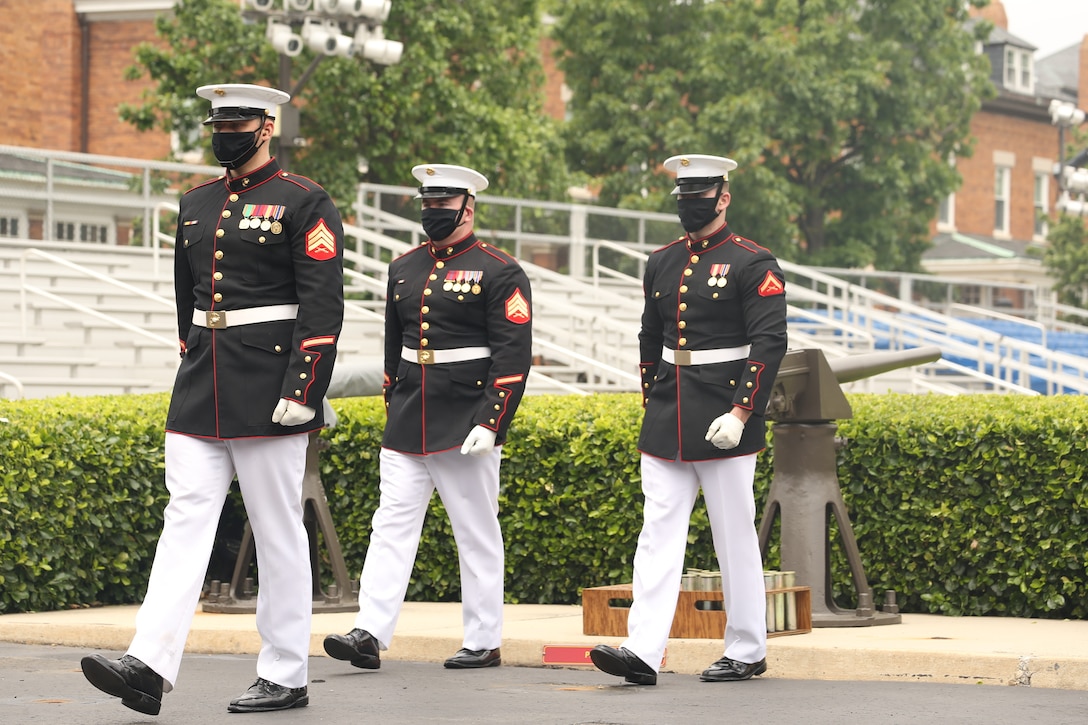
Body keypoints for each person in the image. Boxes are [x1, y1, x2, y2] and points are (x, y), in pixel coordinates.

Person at [80, 83, 344, 715]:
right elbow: (187, 303)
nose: (225, 131)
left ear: (268, 126)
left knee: (278, 532)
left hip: (270, 384)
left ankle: (285, 672)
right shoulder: (195, 203)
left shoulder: (305, 201)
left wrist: (304, 388)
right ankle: (148, 662)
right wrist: (196, 361)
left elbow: (322, 306)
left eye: (239, 122)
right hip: (204, 382)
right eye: (218, 122)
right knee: (185, 519)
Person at [324, 164, 532, 671]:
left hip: (466, 420)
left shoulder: (499, 270)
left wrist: (492, 421)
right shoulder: (404, 267)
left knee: (476, 530)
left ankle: (483, 639)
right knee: (390, 524)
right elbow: (394, 350)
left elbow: (512, 357)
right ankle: (369, 631)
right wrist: (395, 402)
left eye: (444, 203)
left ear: (469, 207)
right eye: (428, 203)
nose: (434, 212)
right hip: (410, 416)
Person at [590, 154, 787, 686]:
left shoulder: (753, 262)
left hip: (724, 411)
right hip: (669, 410)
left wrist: (743, 410)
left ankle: (747, 648)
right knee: (656, 535)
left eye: (701, 194)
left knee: (733, 536)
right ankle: (643, 650)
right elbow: (649, 335)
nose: (691, 204)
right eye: (684, 195)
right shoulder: (662, 260)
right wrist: (651, 395)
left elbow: (769, 341)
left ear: (724, 197)